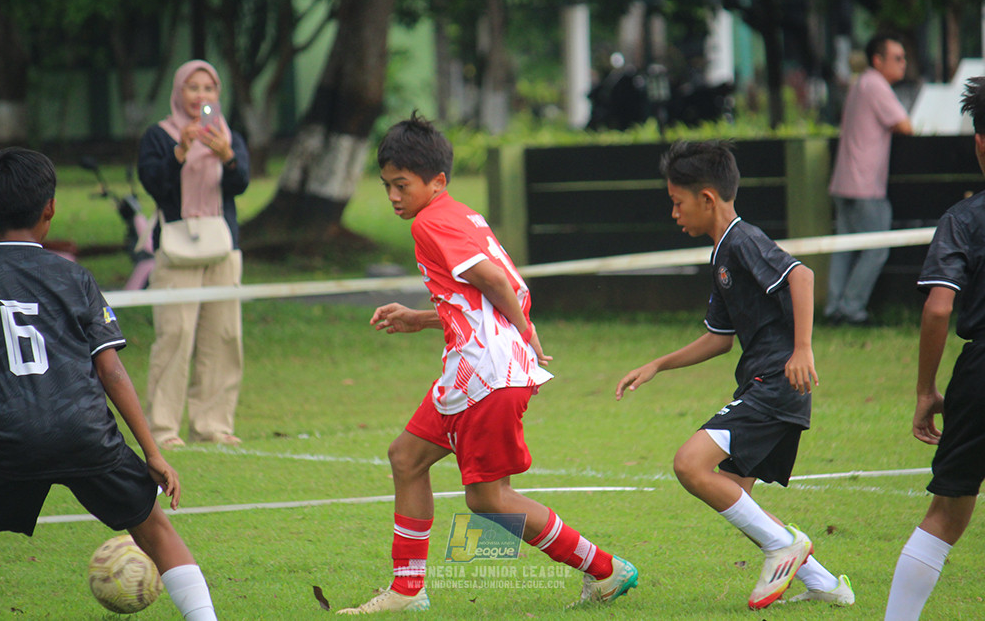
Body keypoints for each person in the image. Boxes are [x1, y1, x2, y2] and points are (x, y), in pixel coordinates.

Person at [337, 113, 638, 614]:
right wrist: (420, 318)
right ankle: (407, 590)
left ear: (437, 181)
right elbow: (485, 298)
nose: (392, 195)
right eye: (386, 184)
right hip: (474, 370)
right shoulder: (460, 213)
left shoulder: (431, 222)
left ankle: (605, 570)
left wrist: (524, 332)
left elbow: (495, 280)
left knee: (489, 500)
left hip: (487, 376)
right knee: (406, 459)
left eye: (401, 185)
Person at [615, 140, 854, 610]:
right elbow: (719, 338)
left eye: (677, 203)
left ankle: (783, 546)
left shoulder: (743, 240)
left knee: (689, 464)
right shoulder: (722, 253)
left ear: (707, 198)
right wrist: (658, 364)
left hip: (776, 383)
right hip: (763, 384)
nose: (674, 213)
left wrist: (802, 348)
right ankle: (827, 585)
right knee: (737, 495)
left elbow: (801, 276)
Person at [0, 148, 217, 620]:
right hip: (82, 429)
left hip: (4, 435)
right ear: (50, 208)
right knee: (154, 528)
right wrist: (152, 452)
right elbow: (110, 369)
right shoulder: (73, 275)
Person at [883, 77, 985, 620]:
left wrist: (926, 390)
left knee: (946, 512)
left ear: (980, 144)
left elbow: (940, 306)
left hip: (979, 373)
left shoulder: (964, 219)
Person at [138, 59, 249, 450]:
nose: (201, 96)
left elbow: (241, 183)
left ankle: (213, 425)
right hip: (176, 246)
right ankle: (164, 429)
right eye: (193, 87)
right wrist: (181, 150)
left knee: (223, 335)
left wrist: (227, 155)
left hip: (222, 247)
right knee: (175, 334)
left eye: (208, 88)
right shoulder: (158, 135)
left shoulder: (227, 135)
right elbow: (155, 183)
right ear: (178, 91)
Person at [825, 33, 913, 326]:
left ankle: (834, 307)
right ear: (878, 60)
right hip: (866, 184)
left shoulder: (860, 83)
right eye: (897, 58)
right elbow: (905, 125)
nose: (903, 64)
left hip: (844, 181)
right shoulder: (876, 84)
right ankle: (851, 308)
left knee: (845, 248)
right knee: (876, 248)